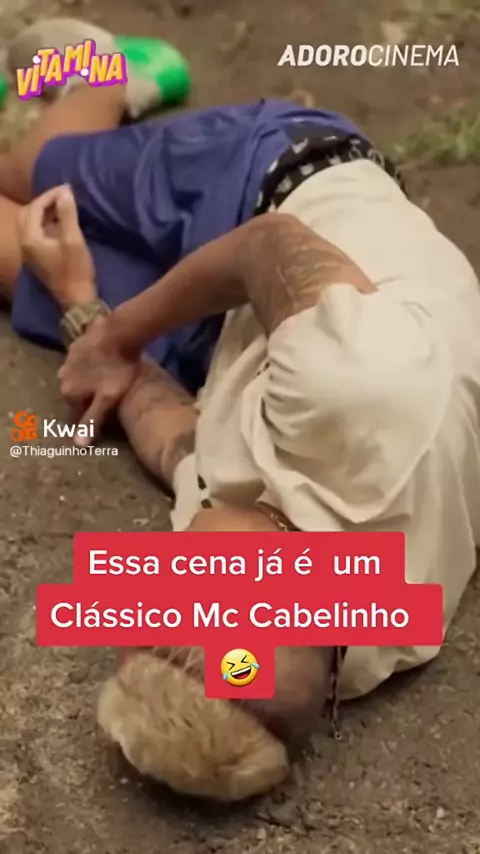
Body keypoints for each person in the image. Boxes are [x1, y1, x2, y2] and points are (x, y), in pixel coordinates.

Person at [3, 17, 480, 801]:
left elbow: (174, 442)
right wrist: (120, 337)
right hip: (279, 183)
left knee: (24, 246)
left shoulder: (311, 631)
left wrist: (82, 308)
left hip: (240, 347)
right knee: (27, 171)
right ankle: (102, 70)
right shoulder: (366, 395)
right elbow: (267, 244)